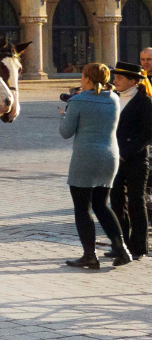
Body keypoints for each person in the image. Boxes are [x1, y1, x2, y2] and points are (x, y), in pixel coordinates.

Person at [59, 63, 130, 268]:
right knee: (102, 205)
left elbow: (66, 132)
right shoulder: (114, 98)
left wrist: (63, 115)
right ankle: (122, 249)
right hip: (110, 156)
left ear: (88, 79)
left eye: (83, 76)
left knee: (82, 208)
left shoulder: (78, 101)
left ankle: (90, 255)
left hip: (85, 157)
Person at [110, 61, 151, 260]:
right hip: (114, 159)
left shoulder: (144, 101)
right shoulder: (112, 98)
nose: (114, 81)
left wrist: (127, 152)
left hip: (135, 159)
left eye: (119, 78)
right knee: (116, 203)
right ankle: (120, 244)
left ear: (133, 81)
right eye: (114, 77)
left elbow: (148, 133)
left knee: (136, 201)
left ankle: (139, 246)